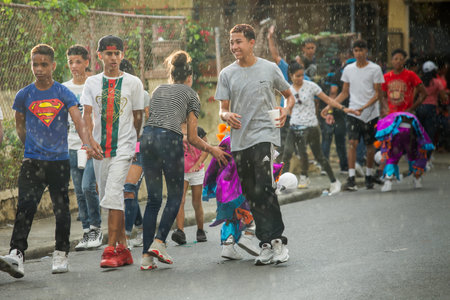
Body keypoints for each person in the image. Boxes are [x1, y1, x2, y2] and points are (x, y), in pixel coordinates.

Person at [0, 44, 100, 278]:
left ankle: (61, 253)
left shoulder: (63, 93)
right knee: (25, 207)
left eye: (44, 64)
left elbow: (78, 121)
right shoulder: (24, 95)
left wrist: (86, 142)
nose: (39, 69)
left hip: (59, 162)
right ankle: (16, 254)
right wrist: (31, 149)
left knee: (61, 209)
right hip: (32, 162)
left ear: (53, 66)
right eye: (35, 64)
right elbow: (20, 126)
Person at [140, 50, 229, 270]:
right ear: (190, 78)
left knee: (153, 200)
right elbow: (192, 136)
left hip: (147, 139)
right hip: (169, 140)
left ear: (171, 75)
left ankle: (145, 257)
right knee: (175, 195)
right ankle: (159, 242)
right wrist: (213, 149)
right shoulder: (191, 95)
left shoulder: (159, 89)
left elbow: (152, 117)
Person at [216, 24, 295, 265]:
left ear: (251, 43)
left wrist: (285, 109)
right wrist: (225, 116)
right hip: (240, 142)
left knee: (265, 188)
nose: (234, 47)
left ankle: (278, 241)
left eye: (238, 42)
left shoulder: (269, 68)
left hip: (265, 136)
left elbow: (289, 95)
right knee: (251, 193)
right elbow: (222, 109)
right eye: (231, 42)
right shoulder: (226, 74)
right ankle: (265, 244)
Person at [81, 35, 144, 268]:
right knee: (109, 198)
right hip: (99, 150)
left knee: (115, 191)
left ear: (122, 54)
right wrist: (89, 142)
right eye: (109, 54)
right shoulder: (91, 83)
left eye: (117, 53)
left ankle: (110, 249)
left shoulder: (133, 83)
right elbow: (86, 115)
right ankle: (125, 248)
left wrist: (135, 144)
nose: (114, 58)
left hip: (124, 147)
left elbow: (138, 117)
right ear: (99, 56)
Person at [282, 61, 358, 193]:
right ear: (291, 75)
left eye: (302, 75)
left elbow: (328, 99)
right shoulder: (288, 90)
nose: (300, 78)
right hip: (294, 127)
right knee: (286, 154)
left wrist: (343, 108)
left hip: (310, 127)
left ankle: (334, 181)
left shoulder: (311, 86)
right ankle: (281, 184)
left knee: (318, 156)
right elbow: (287, 109)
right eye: (297, 76)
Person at [326, 39, 385, 191]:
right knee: (352, 143)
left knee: (370, 146)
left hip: (370, 113)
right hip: (353, 111)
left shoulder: (375, 69)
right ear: (353, 52)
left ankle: (369, 176)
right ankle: (351, 178)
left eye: (361, 50)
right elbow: (344, 92)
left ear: (367, 51)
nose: (359, 53)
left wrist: (364, 107)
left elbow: (378, 94)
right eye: (356, 50)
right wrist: (330, 105)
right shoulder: (348, 69)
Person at [63, 45, 103, 251]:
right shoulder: (64, 88)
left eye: (78, 61)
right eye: (70, 62)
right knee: (78, 191)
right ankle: (87, 231)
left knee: (88, 187)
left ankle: (97, 228)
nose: (74, 66)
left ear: (87, 62)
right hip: (71, 146)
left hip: (92, 146)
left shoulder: (95, 84)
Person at [119, 59, 149, 249]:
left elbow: (149, 117)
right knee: (127, 191)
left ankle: (126, 237)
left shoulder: (142, 94)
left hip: (140, 145)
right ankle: (140, 227)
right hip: (119, 146)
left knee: (129, 188)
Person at [376, 112, 434, 192]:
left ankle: (388, 181)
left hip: (397, 134)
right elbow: (420, 134)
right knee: (413, 157)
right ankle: (417, 180)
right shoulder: (410, 116)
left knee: (392, 158)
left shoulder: (389, 118)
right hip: (410, 133)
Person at [171, 123, 209, 245]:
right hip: (181, 170)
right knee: (180, 201)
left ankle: (200, 230)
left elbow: (206, 149)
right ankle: (180, 231)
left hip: (196, 170)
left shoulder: (198, 129)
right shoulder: (175, 130)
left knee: (196, 202)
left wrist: (198, 164)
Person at [318, 57, 349, 175]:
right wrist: (330, 111)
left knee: (326, 139)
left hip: (327, 110)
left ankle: (324, 167)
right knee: (339, 140)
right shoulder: (338, 75)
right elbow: (333, 92)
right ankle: (344, 167)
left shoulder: (327, 76)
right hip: (335, 111)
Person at [415, 61, 446, 168]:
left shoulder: (419, 81)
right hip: (431, 110)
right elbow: (444, 97)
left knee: (420, 134)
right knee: (430, 135)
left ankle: (418, 157)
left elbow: (414, 95)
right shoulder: (437, 82)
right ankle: (426, 159)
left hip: (419, 109)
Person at [380, 49, 427, 117]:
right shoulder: (386, 77)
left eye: (401, 59)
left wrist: (411, 108)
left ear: (404, 61)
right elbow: (383, 96)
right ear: (391, 61)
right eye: (396, 59)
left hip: (406, 115)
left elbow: (424, 93)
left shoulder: (411, 75)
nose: (398, 61)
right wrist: (386, 108)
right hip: (391, 116)